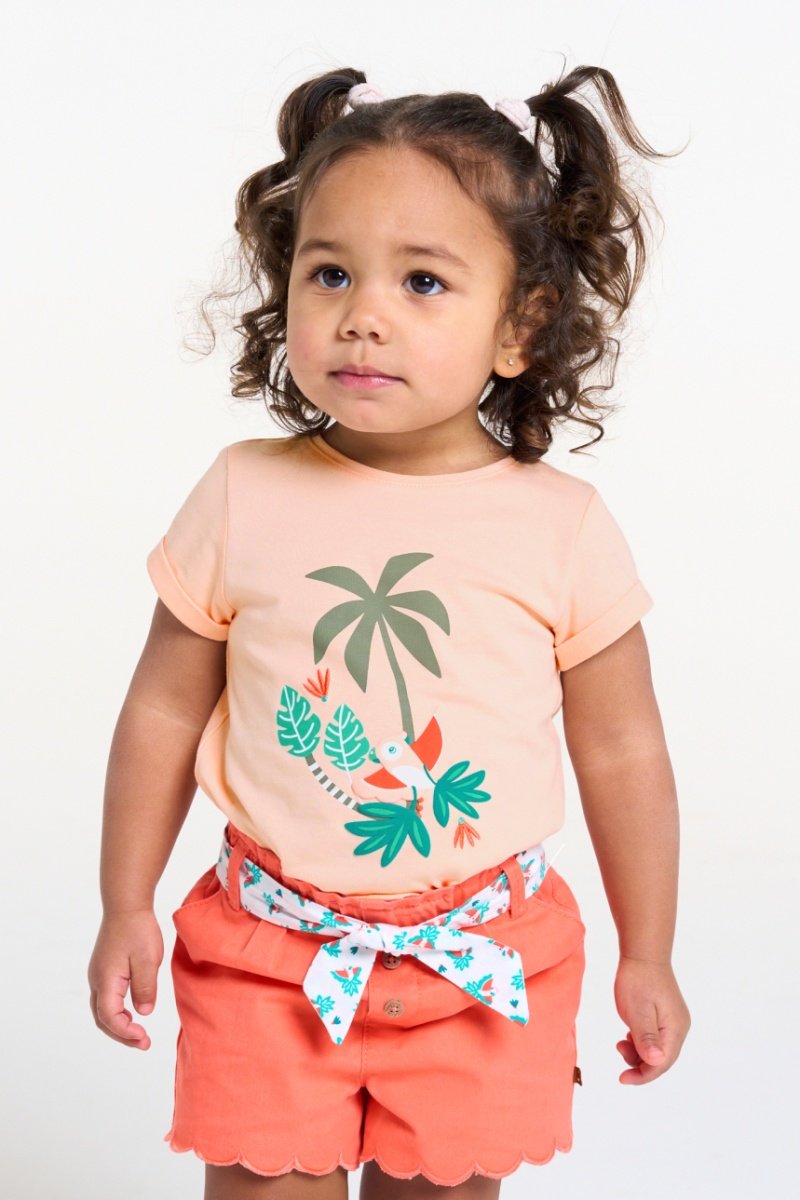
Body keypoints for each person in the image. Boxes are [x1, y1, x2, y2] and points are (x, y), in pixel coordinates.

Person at [88, 64, 691, 1200]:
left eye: (422, 280)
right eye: (330, 272)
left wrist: (647, 949)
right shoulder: (243, 492)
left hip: (485, 968)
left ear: (520, 326)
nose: (362, 312)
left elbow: (622, 749)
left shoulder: (561, 528)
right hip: (267, 961)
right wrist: (125, 900)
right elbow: (163, 707)